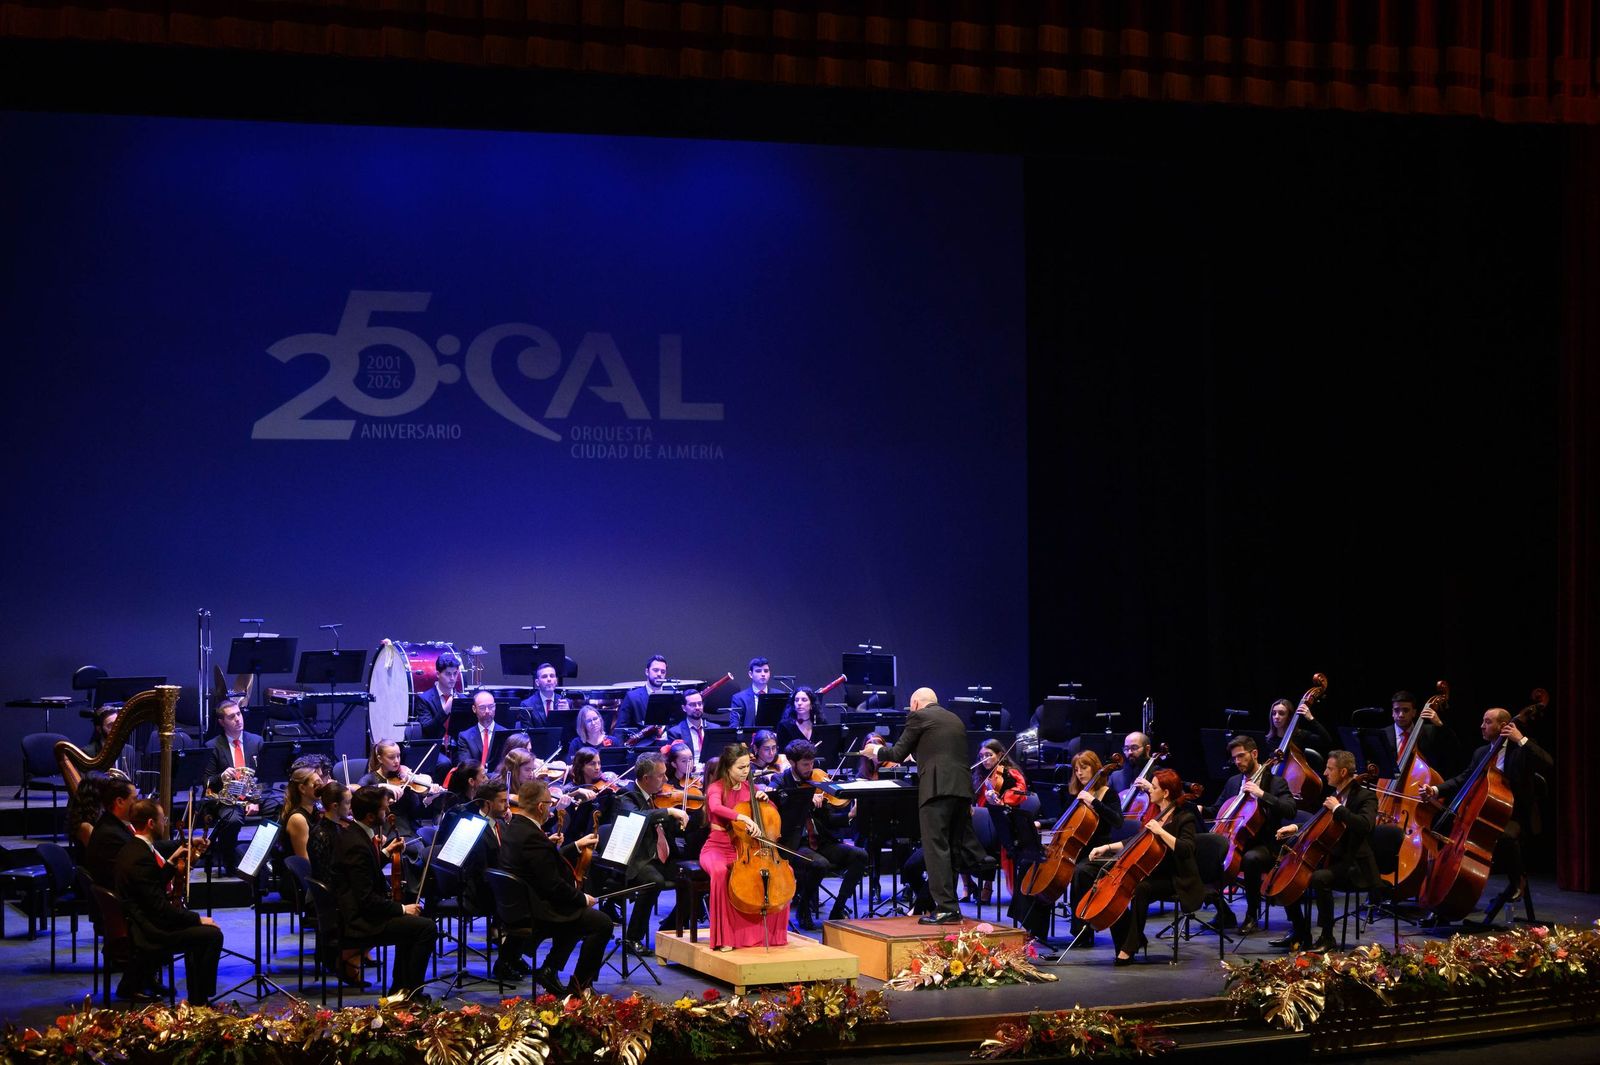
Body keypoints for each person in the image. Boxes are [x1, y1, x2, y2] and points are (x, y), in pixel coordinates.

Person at [864, 688, 993, 925]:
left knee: (936, 849)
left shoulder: (918, 716)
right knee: (952, 848)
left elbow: (897, 753)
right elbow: (939, 752)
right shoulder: (954, 719)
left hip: (936, 790)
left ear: (915, 703)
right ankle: (951, 907)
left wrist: (875, 751)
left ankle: (944, 907)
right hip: (962, 790)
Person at [1425, 707, 1552, 913]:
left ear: (1503, 726)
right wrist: (1436, 788)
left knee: (1505, 836)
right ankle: (1445, 899)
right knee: (1449, 827)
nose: (1482, 726)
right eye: (1483, 721)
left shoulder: (1520, 749)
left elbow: (1547, 762)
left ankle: (1517, 880)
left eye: (1487, 722)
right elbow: (1464, 778)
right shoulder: (1482, 753)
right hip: (1485, 813)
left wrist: (1521, 738)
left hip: (1515, 815)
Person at [500, 780, 610, 994]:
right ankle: (579, 987)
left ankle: (550, 968)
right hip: (534, 911)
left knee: (576, 912)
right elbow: (552, 885)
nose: (551, 809)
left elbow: (542, 867)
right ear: (541, 806)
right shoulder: (532, 836)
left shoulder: (513, 828)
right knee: (601, 923)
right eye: (550, 804)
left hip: (517, 904)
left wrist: (573, 846)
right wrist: (582, 898)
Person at [1087, 768, 1203, 965]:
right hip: (1154, 872)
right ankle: (1129, 941)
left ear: (1165, 793)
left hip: (1177, 877)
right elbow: (1136, 839)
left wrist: (1161, 832)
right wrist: (1106, 847)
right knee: (1122, 890)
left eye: (1154, 787)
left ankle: (1129, 947)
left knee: (1140, 889)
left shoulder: (1185, 817)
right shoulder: (1156, 813)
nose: (1150, 790)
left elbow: (1186, 849)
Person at [114, 799, 223, 1005]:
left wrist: (172, 861)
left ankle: (197, 997)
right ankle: (201, 1000)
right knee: (212, 935)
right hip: (150, 932)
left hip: (144, 921)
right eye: (162, 819)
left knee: (202, 934)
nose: (165, 822)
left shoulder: (133, 848)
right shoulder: (140, 856)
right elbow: (160, 908)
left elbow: (150, 885)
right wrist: (196, 919)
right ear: (150, 823)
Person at [333, 785, 436, 1002]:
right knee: (426, 928)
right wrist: (401, 909)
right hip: (360, 920)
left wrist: (386, 853)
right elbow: (366, 900)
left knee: (414, 924)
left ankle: (400, 989)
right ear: (371, 817)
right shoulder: (356, 844)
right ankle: (412, 993)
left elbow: (365, 873)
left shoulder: (356, 834)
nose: (388, 813)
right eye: (383, 809)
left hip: (362, 911)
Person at [1272, 750, 1378, 951]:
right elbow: (1320, 824)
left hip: (1354, 865)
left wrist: (1339, 809)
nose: (1325, 772)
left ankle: (1327, 937)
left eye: (1330, 769)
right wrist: (1296, 828)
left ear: (1344, 771)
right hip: (1332, 857)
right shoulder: (1335, 795)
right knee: (1286, 875)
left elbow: (1365, 825)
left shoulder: (1366, 797)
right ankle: (1300, 931)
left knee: (1319, 878)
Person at [700, 743, 790, 950]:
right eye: (741, 768)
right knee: (721, 873)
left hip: (746, 849)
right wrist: (740, 816)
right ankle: (725, 938)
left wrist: (766, 800)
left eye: (748, 767)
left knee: (783, 873)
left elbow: (770, 816)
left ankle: (770, 935)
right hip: (716, 848)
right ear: (728, 767)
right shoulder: (717, 788)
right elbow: (715, 807)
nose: (746, 772)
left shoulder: (751, 789)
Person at [774, 739, 864, 930]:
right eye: (805, 764)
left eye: (812, 763)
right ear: (792, 762)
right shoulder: (781, 781)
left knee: (860, 855)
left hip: (820, 841)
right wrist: (806, 799)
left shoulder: (817, 781)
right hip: (795, 844)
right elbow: (783, 810)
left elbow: (829, 820)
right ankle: (803, 907)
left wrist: (848, 815)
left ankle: (838, 909)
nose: (810, 768)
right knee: (819, 865)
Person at [605, 752, 691, 952]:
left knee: (691, 878)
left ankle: (669, 929)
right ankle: (631, 939)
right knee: (655, 882)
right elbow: (637, 816)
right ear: (646, 778)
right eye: (661, 775)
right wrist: (668, 812)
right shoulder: (625, 796)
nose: (666, 779)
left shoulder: (657, 797)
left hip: (659, 857)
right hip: (636, 859)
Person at [1208, 735, 1295, 933]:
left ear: (1254, 754)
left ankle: (1252, 915)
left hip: (1264, 844)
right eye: (1234, 758)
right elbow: (1217, 810)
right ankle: (1223, 912)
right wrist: (1194, 807)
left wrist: (1261, 794)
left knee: (1251, 859)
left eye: (1241, 756)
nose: (1237, 762)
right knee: (1201, 854)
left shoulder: (1275, 783)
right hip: (1234, 840)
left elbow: (1290, 810)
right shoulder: (1233, 782)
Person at [201, 698, 264, 866]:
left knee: (282, 807)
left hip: (252, 797)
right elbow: (206, 781)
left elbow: (264, 776)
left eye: (239, 714)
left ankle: (264, 858)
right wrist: (221, 776)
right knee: (232, 820)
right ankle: (230, 860)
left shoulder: (256, 741)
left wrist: (255, 800)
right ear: (222, 722)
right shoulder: (212, 745)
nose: (238, 719)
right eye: (231, 717)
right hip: (227, 800)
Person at [968, 738, 1028, 904]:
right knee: (959, 832)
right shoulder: (979, 774)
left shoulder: (1010, 773)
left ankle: (987, 885)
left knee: (985, 841)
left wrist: (1001, 800)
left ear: (1000, 755)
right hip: (982, 819)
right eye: (981, 756)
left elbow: (1020, 791)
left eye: (989, 755)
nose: (984, 760)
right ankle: (968, 884)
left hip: (1004, 822)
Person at [1381, 689, 1459, 777]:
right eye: (1397, 710)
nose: (1401, 715)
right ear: (1392, 712)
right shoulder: (1383, 734)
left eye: (1406, 710)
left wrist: (1440, 725)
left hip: (1420, 783)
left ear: (1414, 713)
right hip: (1389, 785)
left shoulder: (1429, 731)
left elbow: (1453, 746)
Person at [1263, 697, 1333, 763]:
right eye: (1274, 713)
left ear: (1289, 717)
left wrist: (1311, 719)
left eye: (1281, 713)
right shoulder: (1268, 740)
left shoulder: (1300, 736)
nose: (1276, 717)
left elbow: (1326, 741)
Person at [411, 651, 462, 741]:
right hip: (436, 749)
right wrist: (445, 710)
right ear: (438, 674)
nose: (453, 678)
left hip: (457, 750)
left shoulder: (462, 699)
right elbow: (428, 730)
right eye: (448, 674)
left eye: (455, 673)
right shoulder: (424, 699)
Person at [615, 655, 671, 732]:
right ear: (647, 672)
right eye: (655, 670)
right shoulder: (632, 697)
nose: (659, 674)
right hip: (642, 743)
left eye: (663, 671)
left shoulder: (671, 696)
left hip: (669, 742)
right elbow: (620, 729)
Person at [459, 690, 511, 769]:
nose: (487, 711)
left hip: (498, 779)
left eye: (491, 707)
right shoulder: (465, 737)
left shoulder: (505, 734)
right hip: (475, 778)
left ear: (495, 707)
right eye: (482, 707)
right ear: (474, 709)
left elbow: (507, 765)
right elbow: (465, 767)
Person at [666, 688, 711, 764]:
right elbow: (676, 761)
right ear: (684, 708)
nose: (697, 707)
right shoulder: (675, 732)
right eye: (692, 705)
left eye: (699, 704)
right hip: (689, 772)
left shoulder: (714, 728)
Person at [728, 657, 773, 730]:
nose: (763, 674)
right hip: (748, 739)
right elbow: (734, 726)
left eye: (766, 671)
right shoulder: (739, 698)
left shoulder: (779, 695)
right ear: (750, 674)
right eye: (758, 671)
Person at [517, 661, 563, 726]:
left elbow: (571, 732)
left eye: (552, 676)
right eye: (544, 676)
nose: (549, 679)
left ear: (556, 681)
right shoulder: (526, 705)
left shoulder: (566, 703)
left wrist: (566, 713)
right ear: (537, 682)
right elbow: (527, 734)